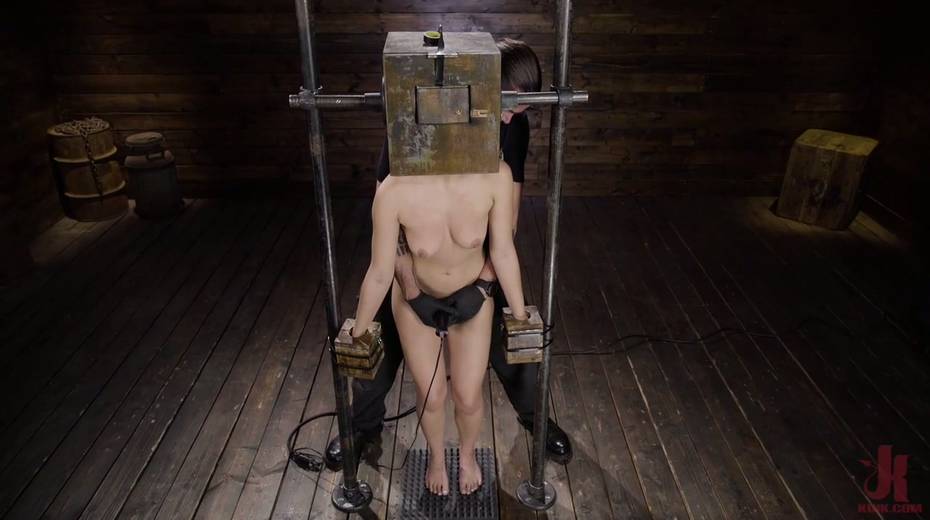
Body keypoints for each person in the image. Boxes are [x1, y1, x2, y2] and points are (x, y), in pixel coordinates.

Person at [326, 37, 573, 486]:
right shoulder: (401, 163)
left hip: (475, 279)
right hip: (412, 282)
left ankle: (517, 429)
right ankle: (382, 437)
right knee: (422, 387)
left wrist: (504, 304)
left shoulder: (502, 156)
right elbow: (382, 265)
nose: (512, 113)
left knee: (474, 388)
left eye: (517, 106)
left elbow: (504, 241)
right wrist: (368, 326)